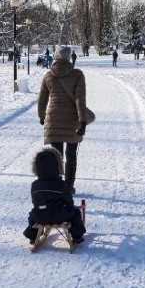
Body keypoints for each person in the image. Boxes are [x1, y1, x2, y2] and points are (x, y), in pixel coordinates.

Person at [38, 45, 89, 195]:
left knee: (56, 156)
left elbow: (42, 100)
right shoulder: (77, 75)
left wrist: (42, 116)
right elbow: (80, 100)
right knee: (71, 156)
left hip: (53, 120)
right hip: (72, 120)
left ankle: (57, 186)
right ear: (68, 57)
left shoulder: (48, 76)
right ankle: (68, 186)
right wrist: (82, 121)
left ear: (55, 56)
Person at [22, 147, 86, 245]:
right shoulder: (61, 184)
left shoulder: (35, 185)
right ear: (57, 166)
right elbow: (69, 202)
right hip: (59, 216)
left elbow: (35, 202)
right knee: (75, 212)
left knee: (32, 214)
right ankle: (77, 236)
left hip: (40, 216)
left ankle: (32, 236)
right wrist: (70, 208)